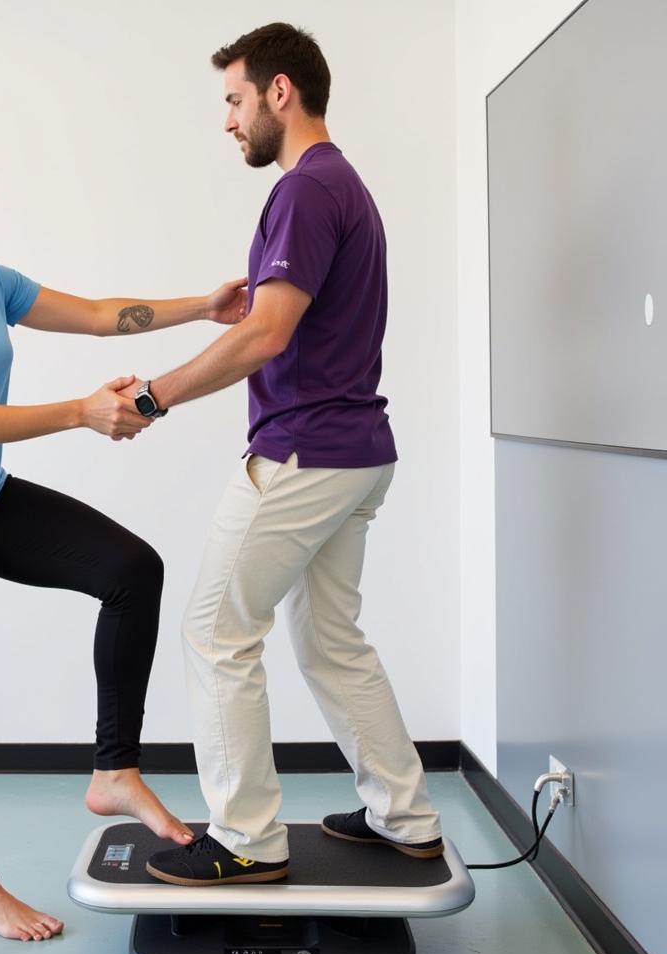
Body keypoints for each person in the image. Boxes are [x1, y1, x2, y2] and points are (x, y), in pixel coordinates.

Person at [0, 124, 248, 935]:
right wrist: (81, 412)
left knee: (132, 570)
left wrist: (201, 308)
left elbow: (101, 316)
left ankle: (114, 769)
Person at [129, 24, 444, 886]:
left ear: (278, 92)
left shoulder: (305, 191)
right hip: (358, 453)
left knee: (214, 631)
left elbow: (268, 333)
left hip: (306, 453)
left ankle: (246, 841)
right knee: (331, 639)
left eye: (234, 100)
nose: (227, 122)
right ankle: (405, 815)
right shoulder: (347, 186)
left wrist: (155, 394)